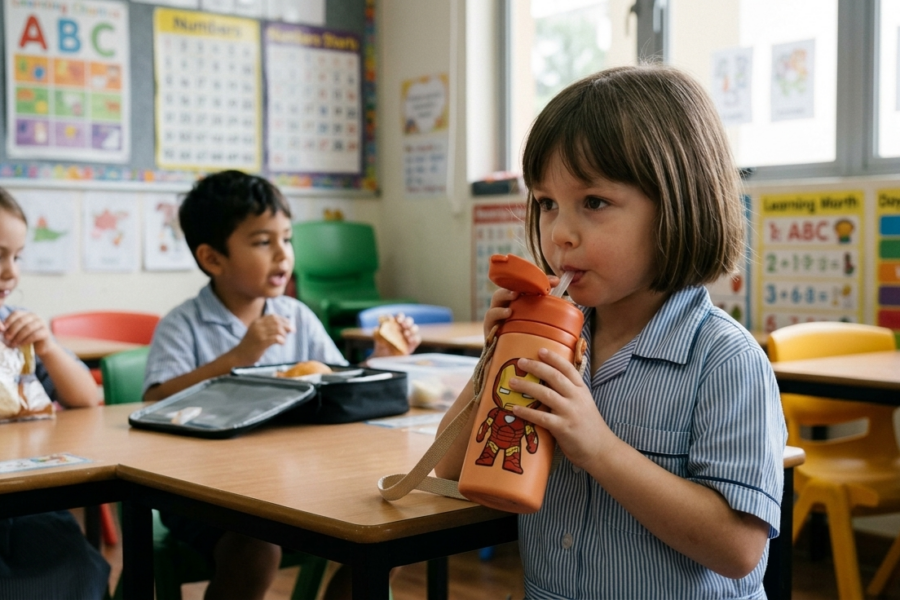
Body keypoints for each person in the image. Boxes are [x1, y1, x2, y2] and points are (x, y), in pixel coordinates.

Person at [435, 64, 787, 599]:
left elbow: (738, 549)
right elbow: (446, 467)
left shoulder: (724, 359)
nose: (559, 234)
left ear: (678, 204)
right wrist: (495, 360)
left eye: (593, 203)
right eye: (547, 203)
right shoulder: (555, 344)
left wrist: (599, 448)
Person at [143, 170, 419, 600]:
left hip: (292, 483)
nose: (282, 255)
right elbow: (156, 400)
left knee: (392, 536)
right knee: (256, 548)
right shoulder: (184, 325)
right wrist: (236, 359)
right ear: (213, 258)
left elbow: (335, 381)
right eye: (261, 242)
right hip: (206, 495)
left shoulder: (297, 315)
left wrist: (380, 359)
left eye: (286, 239)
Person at [0, 187, 110, 599]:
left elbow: (87, 399)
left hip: (28, 503)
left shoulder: (13, 327)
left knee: (81, 567)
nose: (11, 272)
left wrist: (46, 345)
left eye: (18, 256)